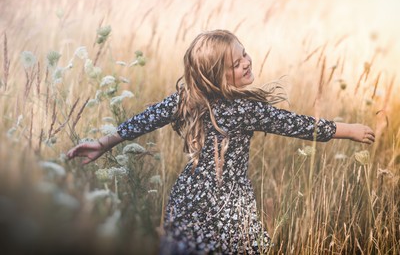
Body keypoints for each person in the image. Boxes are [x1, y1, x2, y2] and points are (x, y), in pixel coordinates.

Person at [67, 30, 375, 254]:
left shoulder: (188, 99)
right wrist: (347, 129)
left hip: (186, 200)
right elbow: (297, 125)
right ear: (217, 76)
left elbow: (145, 119)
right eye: (236, 63)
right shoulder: (245, 108)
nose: (246, 62)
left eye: (244, 54)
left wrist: (105, 142)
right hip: (230, 204)